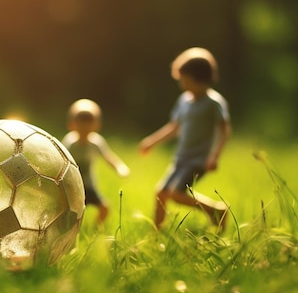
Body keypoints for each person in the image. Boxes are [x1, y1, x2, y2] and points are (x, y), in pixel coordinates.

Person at [139, 47, 231, 232]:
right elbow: (174, 127)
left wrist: (214, 156)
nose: (182, 83)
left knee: (176, 193)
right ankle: (157, 235)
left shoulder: (213, 103)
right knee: (161, 193)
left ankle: (216, 210)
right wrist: (152, 142)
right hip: (181, 158)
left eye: (185, 79)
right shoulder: (184, 101)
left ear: (200, 79)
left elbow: (225, 130)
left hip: (198, 160)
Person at [62, 99, 130, 229]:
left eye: (88, 129)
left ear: (95, 126)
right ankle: (68, 231)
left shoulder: (96, 142)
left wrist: (119, 167)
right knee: (69, 211)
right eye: (81, 129)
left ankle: (94, 229)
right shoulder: (70, 143)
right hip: (71, 185)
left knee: (104, 208)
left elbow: (108, 157)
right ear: (73, 125)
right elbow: (60, 159)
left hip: (88, 185)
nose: (84, 133)